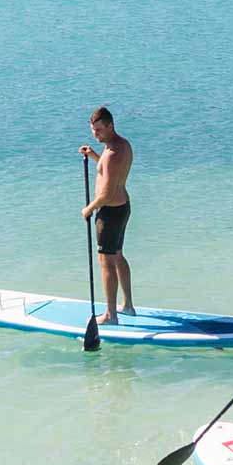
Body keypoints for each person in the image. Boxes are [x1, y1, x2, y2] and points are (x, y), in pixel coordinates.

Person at [79, 106, 134, 324]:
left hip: (110, 212)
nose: (96, 134)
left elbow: (106, 193)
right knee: (118, 255)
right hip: (123, 207)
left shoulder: (111, 154)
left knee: (106, 262)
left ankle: (111, 315)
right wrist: (94, 156)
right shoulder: (122, 145)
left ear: (110, 125)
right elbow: (111, 171)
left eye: (99, 130)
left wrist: (89, 209)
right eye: (93, 130)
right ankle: (127, 306)